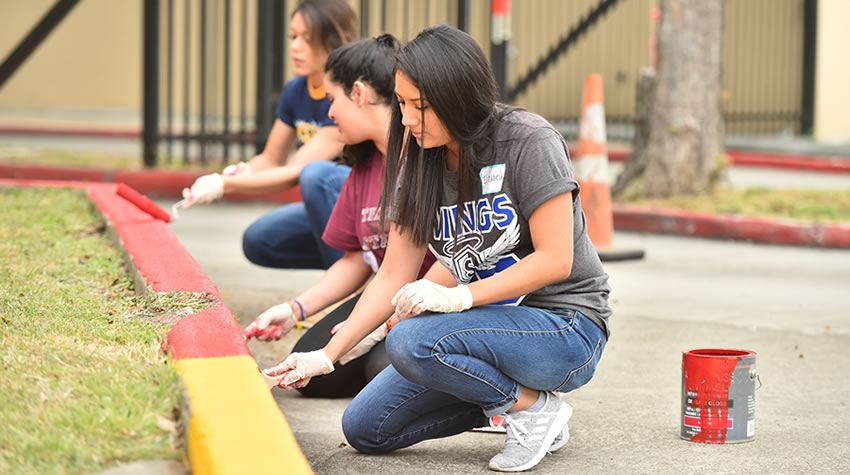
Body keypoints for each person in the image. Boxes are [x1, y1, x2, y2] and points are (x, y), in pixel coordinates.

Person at [264, 25, 612, 472]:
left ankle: (531, 409)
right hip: (489, 329)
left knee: (411, 340)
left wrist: (456, 296)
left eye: (419, 107)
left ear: (458, 96)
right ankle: (531, 406)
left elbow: (555, 259)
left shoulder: (527, 140)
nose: (407, 119)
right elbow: (392, 273)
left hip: (567, 327)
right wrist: (327, 356)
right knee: (367, 428)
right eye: (403, 104)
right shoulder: (420, 161)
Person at [244, 34, 441, 398]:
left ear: (360, 94)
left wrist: (387, 325)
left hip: (441, 297)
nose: (329, 114)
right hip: (389, 293)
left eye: (332, 99)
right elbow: (355, 261)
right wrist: (295, 309)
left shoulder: (426, 153)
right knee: (315, 369)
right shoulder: (364, 164)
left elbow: (457, 263)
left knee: (384, 365)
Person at [182, 0, 358, 270]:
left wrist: (223, 186)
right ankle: (350, 271)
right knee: (260, 241)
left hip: (361, 204)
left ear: (334, 42)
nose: (295, 46)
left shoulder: (344, 93)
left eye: (307, 39)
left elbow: (295, 172)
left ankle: (352, 290)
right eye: (293, 36)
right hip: (327, 207)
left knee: (314, 175)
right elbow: (271, 158)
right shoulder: (297, 89)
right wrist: (238, 172)